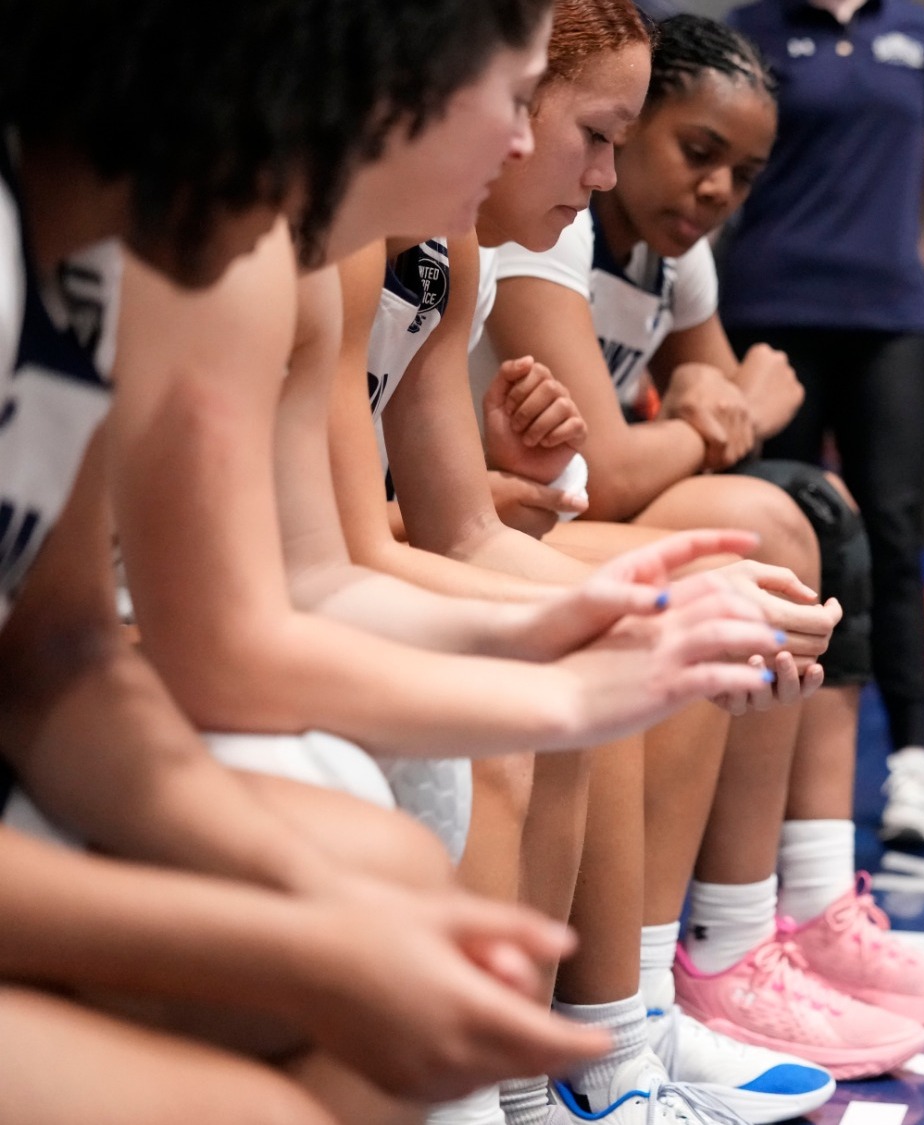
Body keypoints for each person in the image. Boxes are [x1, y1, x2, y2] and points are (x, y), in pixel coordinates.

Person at [0, 0, 620, 1120]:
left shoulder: (101, 249)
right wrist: (298, 942)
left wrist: (318, 898)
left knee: (375, 885)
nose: (529, 145)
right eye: (519, 97)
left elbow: (63, 653)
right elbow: (245, 619)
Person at [481, 13, 924, 1085]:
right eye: (694, 152)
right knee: (760, 525)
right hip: (524, 522)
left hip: (544, 514)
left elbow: (728, 395)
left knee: (819, 508)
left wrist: (718, 415)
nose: (715, 189)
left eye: (744, 172)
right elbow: (639, 459)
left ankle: (797, 909)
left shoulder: (677, 260)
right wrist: (720, 418)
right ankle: (715, 947)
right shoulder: (548, 226)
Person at [721, 0, 924, 833]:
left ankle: (911, 761)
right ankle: (751, 755)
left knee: (899, 533)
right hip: (771, 304)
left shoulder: (923, 34)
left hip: (892, 317)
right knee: (770, 527)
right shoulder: (754, 27)